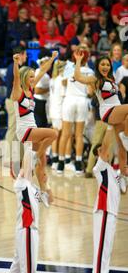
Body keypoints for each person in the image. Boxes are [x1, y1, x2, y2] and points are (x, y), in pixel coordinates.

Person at [6, 144, 50, 273]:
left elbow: (46, 202)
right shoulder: (21, 184)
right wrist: (28, 141)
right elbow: (29, 160)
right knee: (29, 264)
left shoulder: (33, 187)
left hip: (27, 230)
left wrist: (45, 185)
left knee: (18, 263)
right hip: (27, 229)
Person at [74, 49, 128, 178]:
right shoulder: (95, 79)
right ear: (98, 66)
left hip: (117, 112)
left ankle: (123, 178)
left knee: (121, 148)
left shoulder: (112, 79)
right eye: (102, 64)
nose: (105, 67)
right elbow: (78, 77)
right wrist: (78, 61)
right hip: (108, 111)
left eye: (107, 65)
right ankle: (126, 136)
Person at [11, 51, 58, 198]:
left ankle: (41, 189)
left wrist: (52, 59)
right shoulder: (18, 92)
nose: (33, 79)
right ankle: (36, 155)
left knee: (42, 162)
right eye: (30, 76)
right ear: (24, 77)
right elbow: (16, 77)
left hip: (33, 128)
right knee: (53, 134)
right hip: (24, 129)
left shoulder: (31, 89)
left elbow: (43, 70)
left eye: (33, 76)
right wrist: (15, 63)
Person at [91, 126, 122, 273]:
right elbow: (105, 146)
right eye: (102, 151)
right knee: (101, 246)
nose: (106, 152)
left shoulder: (112, 171)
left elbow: (123, 189)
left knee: (107, 247)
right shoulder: (100, 167)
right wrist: (111, 127)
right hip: (103, 211)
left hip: (112, 212)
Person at [57, 46, 94, 176]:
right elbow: (90, 92)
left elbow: (63, 84)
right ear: (87, 57)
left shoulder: (69, 67)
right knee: (79, 135)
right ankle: (78, 163)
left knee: (65, 134)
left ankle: (60, 163)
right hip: (82, 101)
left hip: (69, 100)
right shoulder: (89, 71)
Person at [3, 46, 27, 166]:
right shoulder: (13, 68)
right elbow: (15, 84)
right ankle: (7, 158)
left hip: (17, 101)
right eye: (25, 54)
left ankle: (17, 155)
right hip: (12, 101)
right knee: (12, 128)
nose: (26, 57)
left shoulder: (18, 67)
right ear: (20, 55)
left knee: (18, 129)